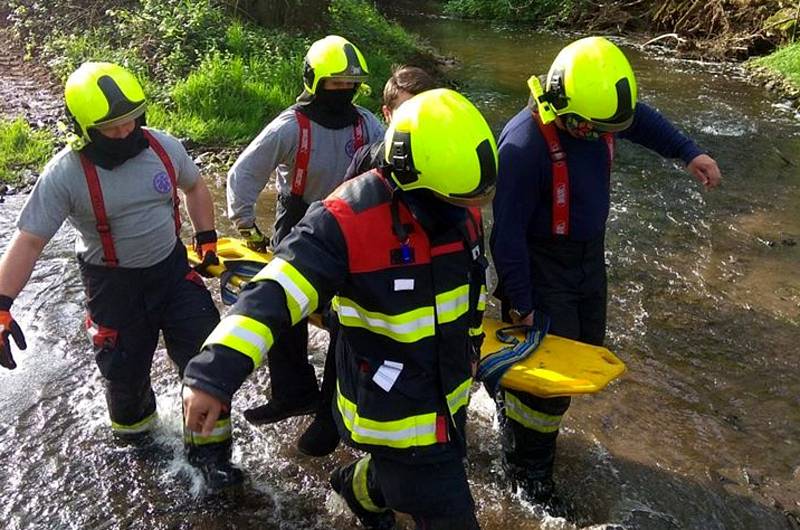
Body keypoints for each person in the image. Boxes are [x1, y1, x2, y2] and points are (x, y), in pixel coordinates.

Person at [182, 88, 495, 529]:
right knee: (449, 513)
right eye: (456, 203)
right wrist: (213, 373)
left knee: (411, 482)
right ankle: (368, 487)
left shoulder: (459, 203)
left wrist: (474, 341)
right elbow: (274, 291)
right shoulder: (344, 220)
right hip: (393, 406)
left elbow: (472, 285)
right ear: (409, 177)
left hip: (448, 390)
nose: (467, 212)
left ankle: (357, 488)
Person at [490, 36, 722, 505]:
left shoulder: (594, 110)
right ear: (562, 106)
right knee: (550, 381)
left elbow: (640, 120)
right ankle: (528, 476)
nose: (600, 135)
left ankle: (511, 406)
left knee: (585, 353)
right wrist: (522, 302)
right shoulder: (522, 145)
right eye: (592, 128)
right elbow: (506, 235)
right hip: (541, 266)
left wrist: (688, 152)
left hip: (587, 259)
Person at [0, 62, 240, 492]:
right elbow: (29, 241)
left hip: (172, 274)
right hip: (113, 289)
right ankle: (139, 459)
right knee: (125, 385)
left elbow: (197, 188)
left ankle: (212, 459)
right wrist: (1, 305)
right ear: (81, 127)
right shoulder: (65, 174)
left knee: (210, 362)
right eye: (110, 127)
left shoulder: (164, 147)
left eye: (131, 119)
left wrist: (206, 239)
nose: (125, 131)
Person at [226, 35, 384, 429]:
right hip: (298, 222)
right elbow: (242, 174)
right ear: (314, 82)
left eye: (351, 86)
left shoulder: (368, 124)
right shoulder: (289, 127)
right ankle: (293, 394)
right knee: (284, 309)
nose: (344, 92)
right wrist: (246, 225)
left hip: (353, 226)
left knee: (350, 315)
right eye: (336, 85)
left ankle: (343, 400)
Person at [297, 64, 439, 458]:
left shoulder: (449, 159)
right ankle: (329, 418)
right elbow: (338, 219)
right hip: (368, 278)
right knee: (347, 345)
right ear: (388, 114)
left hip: (418, 278)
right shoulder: (367, 159)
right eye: (409, 113)